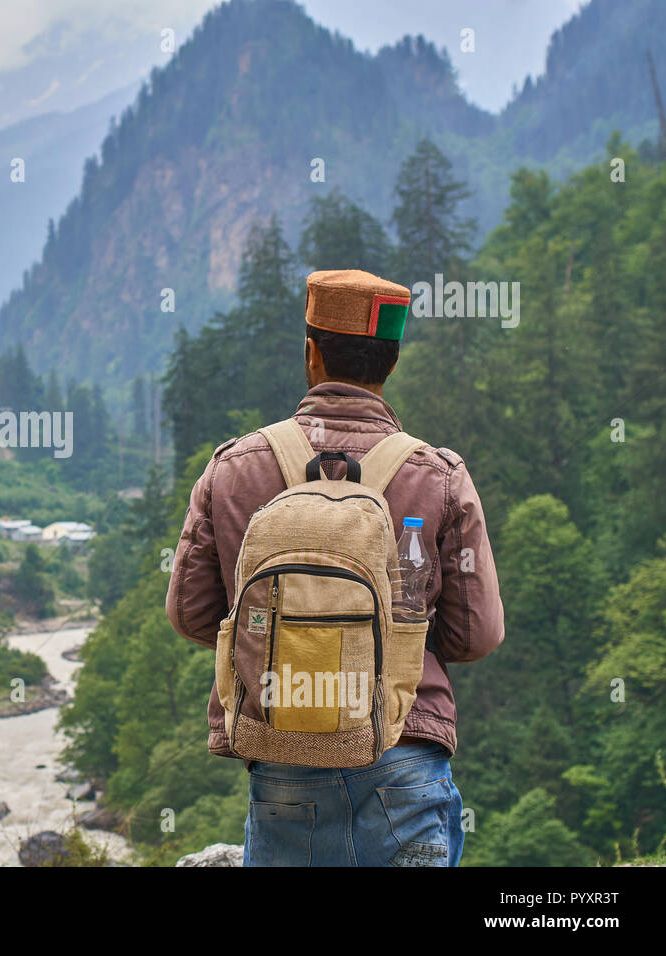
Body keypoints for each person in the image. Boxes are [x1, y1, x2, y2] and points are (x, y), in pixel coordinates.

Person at [165, 269, 504, 866]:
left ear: (310, 354)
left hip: (283, 757)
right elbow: (475, 637)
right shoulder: (438, 476)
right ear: (391, 363)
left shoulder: (234, 468)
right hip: (405, 754)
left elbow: (192, 616)